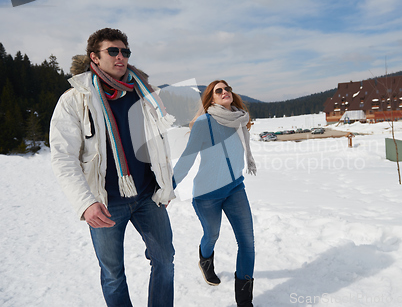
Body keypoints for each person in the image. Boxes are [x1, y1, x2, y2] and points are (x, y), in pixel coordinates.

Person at [50, 28, 176, 307]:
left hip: (147, 196)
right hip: (105, 203)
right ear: (94, 57)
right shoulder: (75, 99)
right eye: (113, 51)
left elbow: (159, 145)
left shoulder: (145, 94)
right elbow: (63, 156)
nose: (121, 57)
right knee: (113, 274)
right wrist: (85, 203)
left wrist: (167, 184)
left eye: (125, 52)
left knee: (165, 260)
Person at [173, 80, 256, 307]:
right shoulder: (203, 123)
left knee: (247, 243)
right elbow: (187, 158)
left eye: (227, 88)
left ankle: (244, 301)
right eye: (218, 91)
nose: (225, 92)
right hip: (207, 194)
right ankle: (205, 260)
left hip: (235, 188)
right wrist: (168, 188)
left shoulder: (239, 120)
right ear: (211, 99)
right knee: (212, 235)